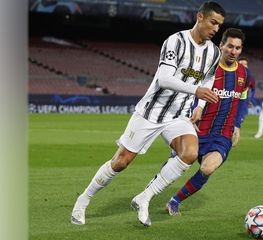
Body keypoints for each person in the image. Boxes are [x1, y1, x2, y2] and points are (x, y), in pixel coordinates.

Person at [70, 1, 225, 227]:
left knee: (190, 153)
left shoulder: (213, 52)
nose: (215, 29)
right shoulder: (176, 41)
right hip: (151, 111)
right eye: (213, 22)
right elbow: (164, 78)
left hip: (179, 114)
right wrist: (196, 90)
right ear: (199, 17)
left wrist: (199, 104)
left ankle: (145, 197)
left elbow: (208, 78)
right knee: (121, 162)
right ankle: (83, 200)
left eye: (219, 26)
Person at [164, 28, 251, 215]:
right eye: (229, 46)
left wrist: (237, 123)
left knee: (208, 168)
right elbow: (186, 91)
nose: (233, 51)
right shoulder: (206, 68)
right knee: (175, 168)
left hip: (222, 134)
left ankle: (174, 201)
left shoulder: (244, 74)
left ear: (241, 50)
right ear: (221, 45)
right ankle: (150, 191)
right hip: (197, 128)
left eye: (237, 48)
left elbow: (243, 99)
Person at [237, 56, 256, 121]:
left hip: (242, 103)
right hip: (231, 102)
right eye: (241, 64)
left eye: (245, 64)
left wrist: (249, 100)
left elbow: (253, 89)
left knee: (238, 122)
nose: (244, 66)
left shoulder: (250, 78)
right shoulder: (231, 75)